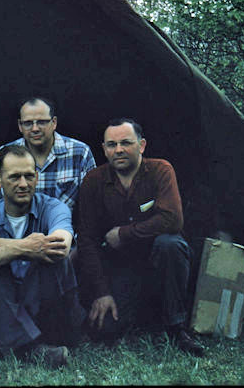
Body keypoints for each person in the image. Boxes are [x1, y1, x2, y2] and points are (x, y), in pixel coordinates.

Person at [77, 118, 204, 356]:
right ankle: (141, 316)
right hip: (121, 267)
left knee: (171, 244)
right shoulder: (93, 181)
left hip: (159, 261)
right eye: (112, 145)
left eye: (126, 143)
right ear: (104, 149)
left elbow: (172, 220)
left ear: (142, 145)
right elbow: (87, 240)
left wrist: (124, 234)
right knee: (105, 329)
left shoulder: (160, 170)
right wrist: (102, 292)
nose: (119, 150)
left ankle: (175, 326)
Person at [0, 144, 84, 368]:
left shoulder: (53, 208)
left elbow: (61, 245)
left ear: (36, 177)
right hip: (5, 306)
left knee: (52, 258)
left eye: (28, 176)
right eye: (14, 177)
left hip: (51, 313)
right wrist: (20, 248)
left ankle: (0, 343)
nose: (23, 184)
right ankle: (31, 351)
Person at [0, 97, 95, 215]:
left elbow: (90, 206)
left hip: (66, 231)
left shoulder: (80, 153)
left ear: (54, 122)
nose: (35, 129)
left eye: (41, 122)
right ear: (20, 126)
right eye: (28, 123)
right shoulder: (6, 154)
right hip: (19, 232)